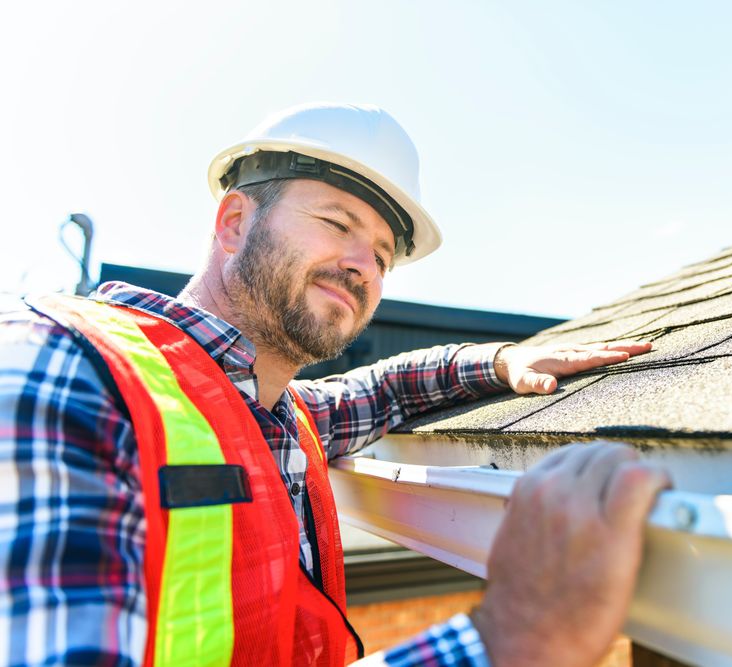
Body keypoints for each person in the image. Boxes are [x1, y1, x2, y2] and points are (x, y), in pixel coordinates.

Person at [0, 103, 668, 667]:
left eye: (381, 255)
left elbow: (386, 391)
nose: (361, 267)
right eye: (336, 224)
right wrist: (509, 637)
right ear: (234, 224)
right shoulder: (67, 368)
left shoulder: (279, 417)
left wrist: (496, 364)